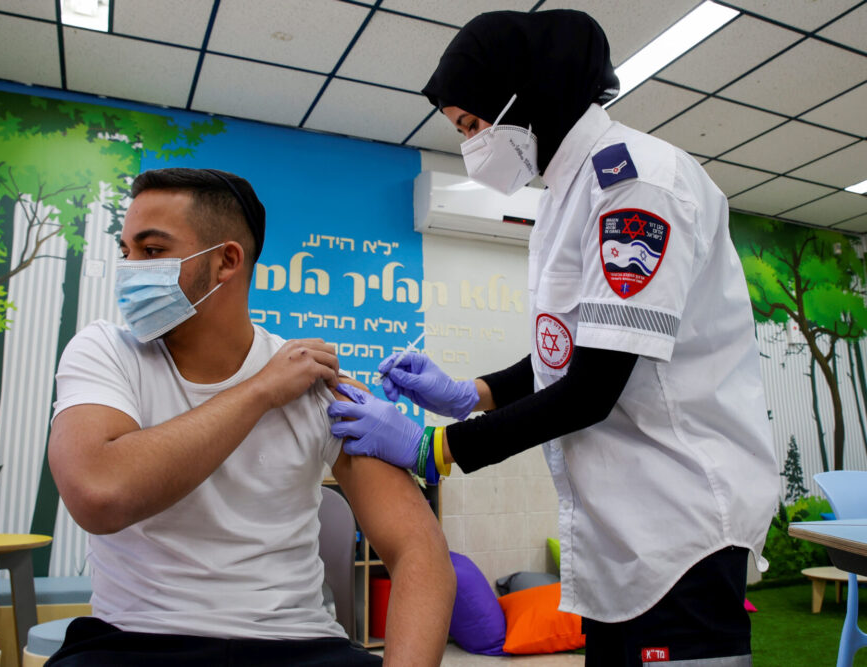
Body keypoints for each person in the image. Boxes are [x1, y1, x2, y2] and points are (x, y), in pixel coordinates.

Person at [328, 9, 778, 666]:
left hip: (678, 526)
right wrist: (468, 392)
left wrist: (436, 450)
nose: (471, 145)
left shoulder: (634, 183)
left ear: (526, 99)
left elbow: (594, 387)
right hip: (621, 536)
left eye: (474, 126)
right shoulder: (567, 194)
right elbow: (566, 353)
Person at [47, 167, 454, 666]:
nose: (131, 268)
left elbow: (421, 550)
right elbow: (99, 494)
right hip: (135, 642)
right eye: (126, 251)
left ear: (226, 261)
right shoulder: (105, 351)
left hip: (296, 646)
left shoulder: (313, 382)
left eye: (151, 252)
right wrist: (259, 391)